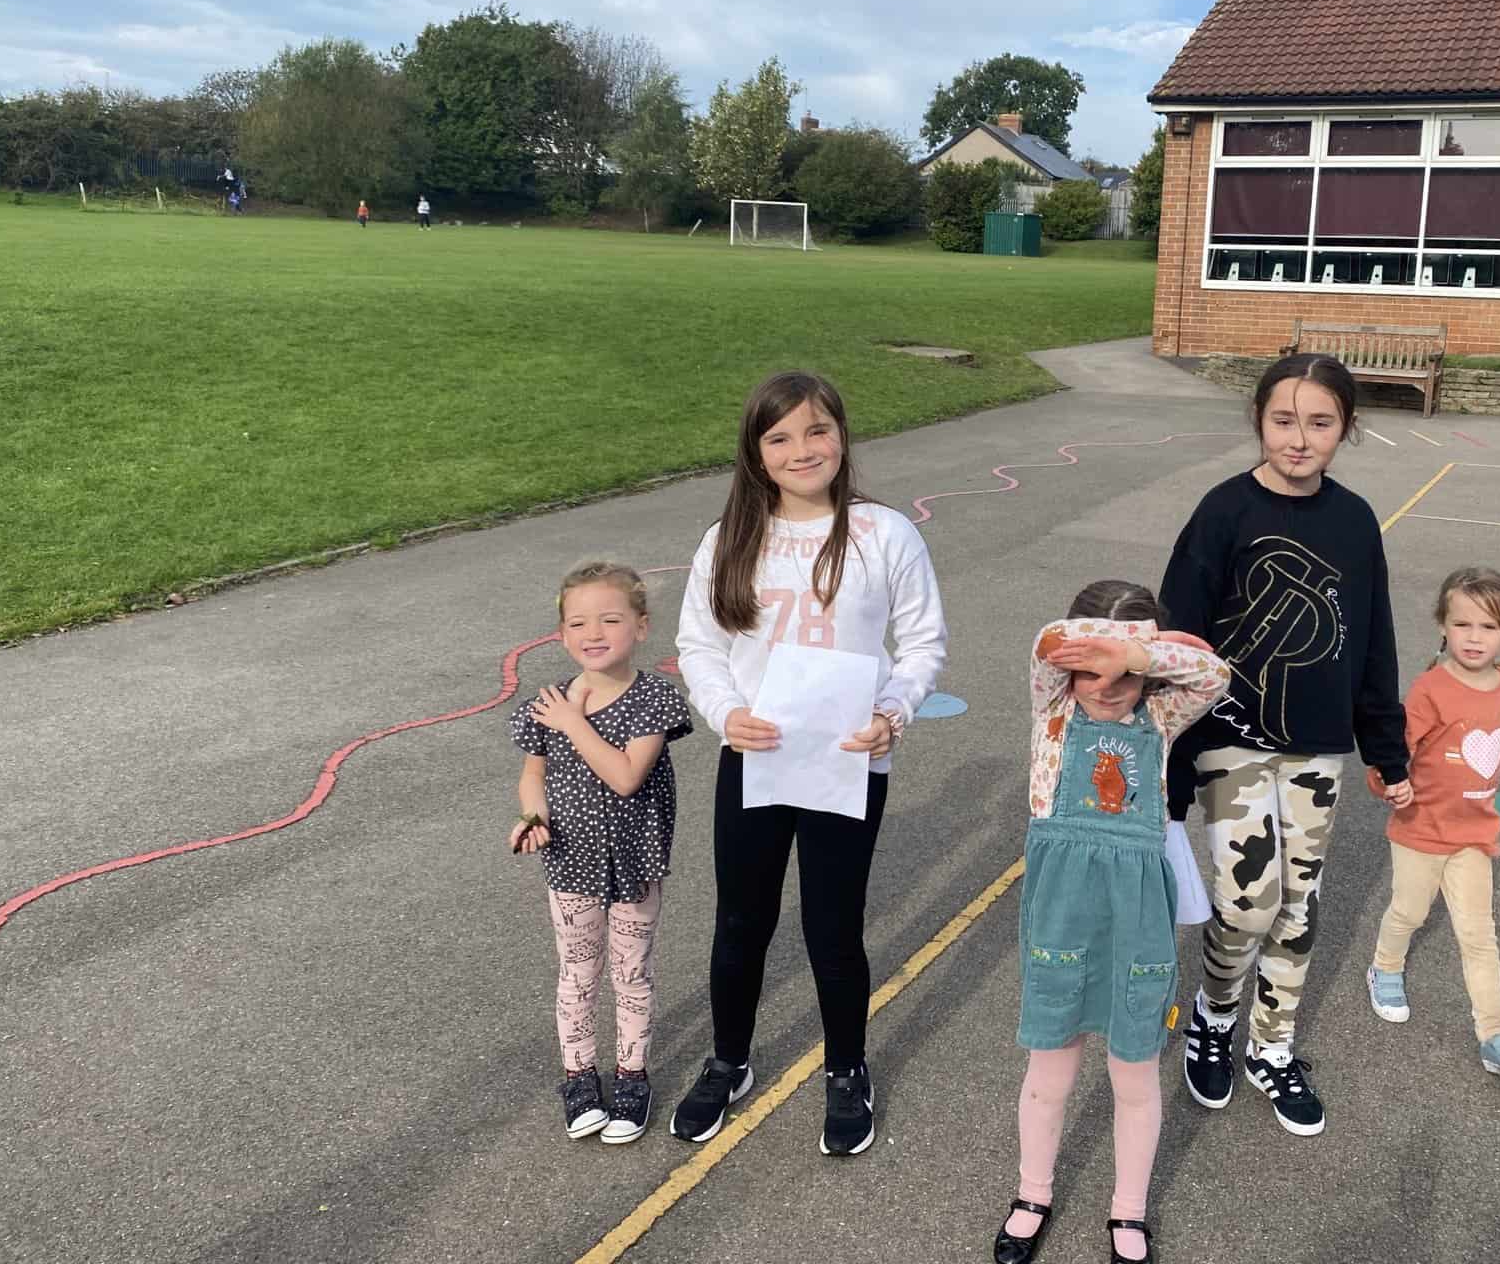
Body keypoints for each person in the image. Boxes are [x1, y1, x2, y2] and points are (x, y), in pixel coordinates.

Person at [673, 370, 947, 1156]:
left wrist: (892, 713)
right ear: (756, 453)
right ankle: (729, 1059)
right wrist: (726, 713)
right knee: (742, 920)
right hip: (755, 758)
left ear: (842, 435)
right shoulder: (729, 538)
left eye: (817, 430)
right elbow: (700, 645)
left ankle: (846, 1067)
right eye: (781, 436)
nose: (802, 449)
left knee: (833, 926)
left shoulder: (884, 534)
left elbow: (922, 643)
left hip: (846, 761)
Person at [1159, 352, 1409, 1136]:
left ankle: (1272, 1046)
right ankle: (1215, 1014)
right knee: (1247, 902)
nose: (1299, 439)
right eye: (1283, 420)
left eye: (1320, 423)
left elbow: (1373, 641)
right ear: (1258, 420)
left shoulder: (1355, 522)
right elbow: (1179, 642)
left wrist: (1386, 749)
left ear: (1347, 428)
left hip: (1316, 747)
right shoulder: (1223, 511)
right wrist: (1169, 765)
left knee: (1298, 906)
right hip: (1228, 739)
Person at [995, 583, 1228, 1264]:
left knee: (1135, 1069)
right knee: (1051, 1066)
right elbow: (1046, 641)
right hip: (1063, 906)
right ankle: (1032, 1194)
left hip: (1138, 908)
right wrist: (1111, 648)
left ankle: (1129, 1208)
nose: (1107, 687)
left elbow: (1215, 674)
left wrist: (1139, 654)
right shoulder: (1053, 709)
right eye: (1092, 671)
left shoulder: (1161, 715)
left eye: (1125, 674)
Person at [509, 562, 694, 1144]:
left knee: (631, 974)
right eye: (578, 623)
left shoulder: (652, 699)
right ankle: (579, 1076)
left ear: (641, 626)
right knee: (577, 974)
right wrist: (533, 817)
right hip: (570, 864)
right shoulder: (547, 704)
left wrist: (574, 722)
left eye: (610, 620)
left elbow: (625, 776)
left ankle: (632, 1074)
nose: (594, 633)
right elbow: (532, 775)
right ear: (562, 634)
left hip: (634, 862)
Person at [1365, 566, 1500, 1079]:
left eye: (1488, 626)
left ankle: (1495, 1036)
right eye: (1462, 624)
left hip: (1473, 835)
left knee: (1478, 934)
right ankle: (1384, 967)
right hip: (1420, 829)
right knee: (1409, 912)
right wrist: (1390, 783)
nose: (1474, 637)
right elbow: (1392, 753)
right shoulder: (1430, 689)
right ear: (1443, 626)